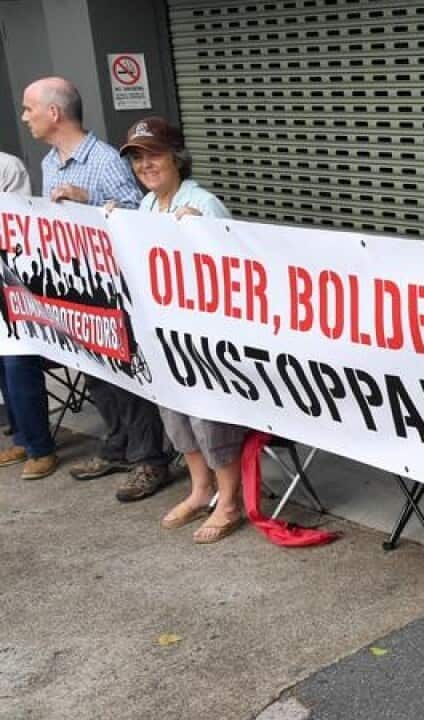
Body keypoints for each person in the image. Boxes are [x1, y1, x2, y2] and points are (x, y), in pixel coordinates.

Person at [21, 77, 171, 502]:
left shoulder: (104, 160)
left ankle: (149, 459)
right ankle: (118, 445)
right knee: (94, 372)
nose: (24, 117)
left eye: (29, 108)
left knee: (126, 374)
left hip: (114, 288)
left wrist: (86, 199)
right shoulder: (51, 162)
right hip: (76, 284)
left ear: (54, 113)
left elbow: (136, 216)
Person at [108, 117, 246, 543]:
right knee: (175, 411)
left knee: (207, 416)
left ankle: (229, 499)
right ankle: (200, 488)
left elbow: (236, 269)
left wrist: (202, 234)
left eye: (153, 155)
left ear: (176, 158)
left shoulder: (202, 203)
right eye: (137, 158)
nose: (145, 165)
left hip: (205, 337)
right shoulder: (148, 207)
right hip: (165, 334)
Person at [0, 146, 59, 481]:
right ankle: (22, 436)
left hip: (19, 283)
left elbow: (16, 226)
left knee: (17, 360)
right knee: (3, 362)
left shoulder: (7, 166)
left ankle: (40, 448)